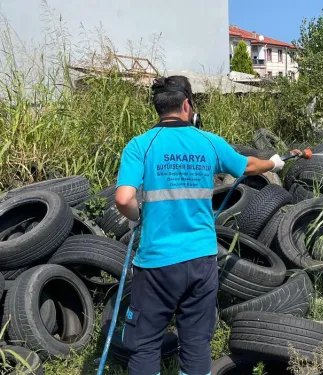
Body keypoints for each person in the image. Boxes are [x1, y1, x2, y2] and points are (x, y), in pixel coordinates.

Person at [114, 75, 287, 375]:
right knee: (196, 345)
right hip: (201, 260)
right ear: (186, 105)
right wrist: (274, 163)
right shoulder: (209, 142)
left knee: (145, 346)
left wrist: (136, 217)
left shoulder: (140, 145)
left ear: (158, 107)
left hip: (156, 264)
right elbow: (247, 166)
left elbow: (124, 197)